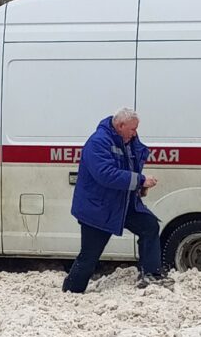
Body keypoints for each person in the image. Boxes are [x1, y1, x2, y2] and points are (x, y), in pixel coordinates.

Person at [62, 108, 166, 293]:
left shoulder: (128, 141)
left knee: (149, 226)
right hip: (99, 208)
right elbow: (106, 175)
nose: (136, 133)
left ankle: (152, 274)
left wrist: (138, 188)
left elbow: (128, 168)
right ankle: (72, 290)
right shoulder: (98, 142)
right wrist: (140, 180)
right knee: (89, 255)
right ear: (120, 125)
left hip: (123, 204)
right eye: (133, 129)